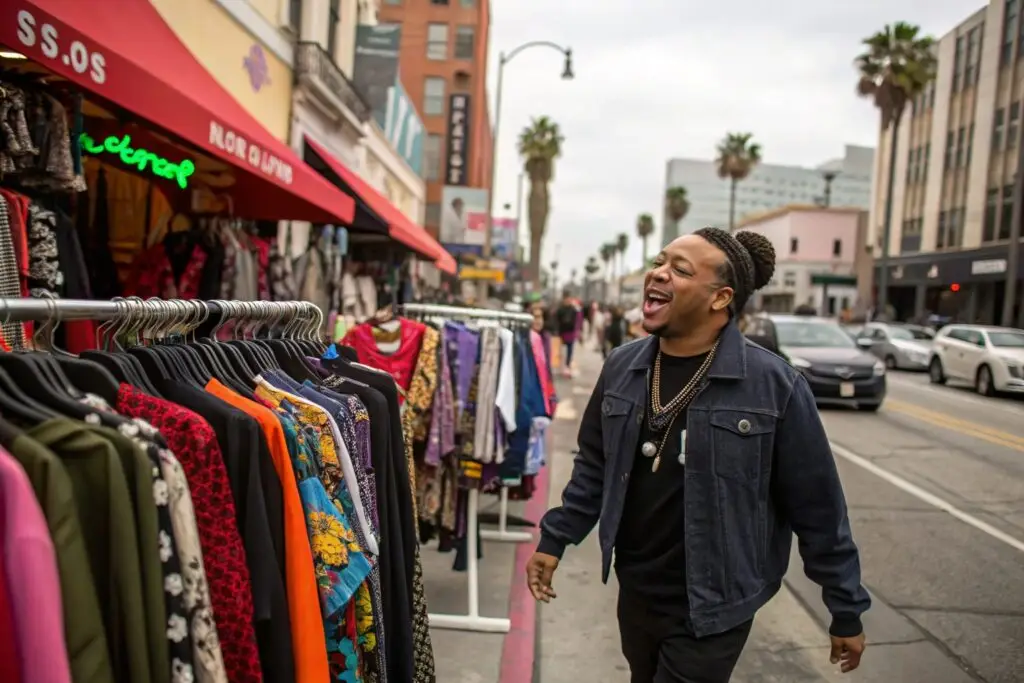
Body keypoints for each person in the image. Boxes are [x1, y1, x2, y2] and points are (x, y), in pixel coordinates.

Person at [527, 227, 870, 682]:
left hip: (715, 604)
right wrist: (556, 538)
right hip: (637, 589)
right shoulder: (623, 366)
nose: (659, 274)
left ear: (719, 298)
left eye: (680, 270)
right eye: (660, 262)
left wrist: (844, 605)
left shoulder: (773, 385)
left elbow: (819, 506)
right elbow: (595, 465)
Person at [555, 291, 582, 377]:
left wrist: (578, 331)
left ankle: (567, 365)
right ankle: (562, 367)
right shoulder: (560, 309)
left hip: (570, 332)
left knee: (570, 351)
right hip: (562, 333)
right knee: (562, 351)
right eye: (566, 299)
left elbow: (577, 320)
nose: (568, 300)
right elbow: (557, 320)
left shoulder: (573, 309)